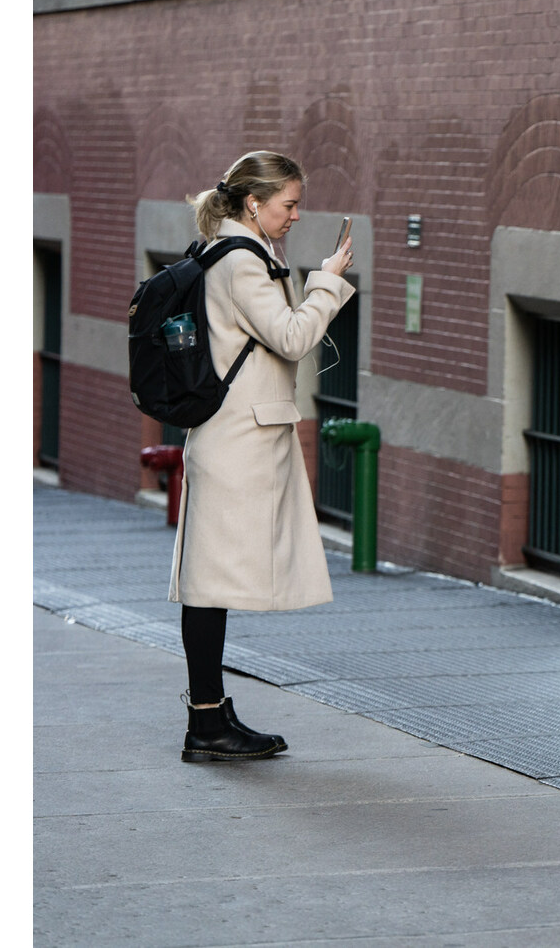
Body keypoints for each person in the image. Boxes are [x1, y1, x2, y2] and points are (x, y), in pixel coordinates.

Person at [168, 150, 355, 762]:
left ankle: (211, 712)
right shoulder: (243, 263)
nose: (296, 215)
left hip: (236, 436)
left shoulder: (235, 253)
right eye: (289, 204)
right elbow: (294, 338)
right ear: (255, 202)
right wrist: (328, 280)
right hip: (239, 441)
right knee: (209, 580)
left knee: (211, 579)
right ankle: (205, 721)